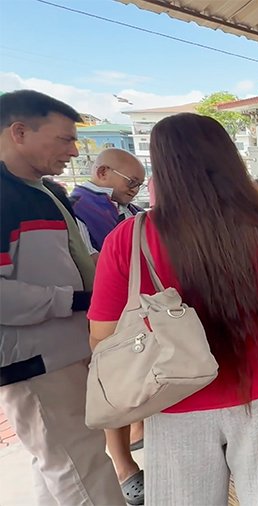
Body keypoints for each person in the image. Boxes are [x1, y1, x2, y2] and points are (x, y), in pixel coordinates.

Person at [88, 113, 258, 504]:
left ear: (162, 166)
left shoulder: (129, 239)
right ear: (229, 161)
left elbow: (102, 335)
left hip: (173, 396)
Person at [0, 90, 123, 505]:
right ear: (19, 132)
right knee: (82, 468)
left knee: (59, 461)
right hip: (35, 359)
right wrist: (71, 301)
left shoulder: (44, 191)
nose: (75, 151)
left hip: (64, 347)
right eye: (64, 139)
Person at [69, 148, 147, 504]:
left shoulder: (126, 210)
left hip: (139, 310)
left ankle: (138, 428)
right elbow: (91, 263)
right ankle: (124, 465)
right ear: (102, 172)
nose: (136, 189)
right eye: (132, 182)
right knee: (111, 386)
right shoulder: (79, 208)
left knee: (141, 379)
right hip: (107, 310)